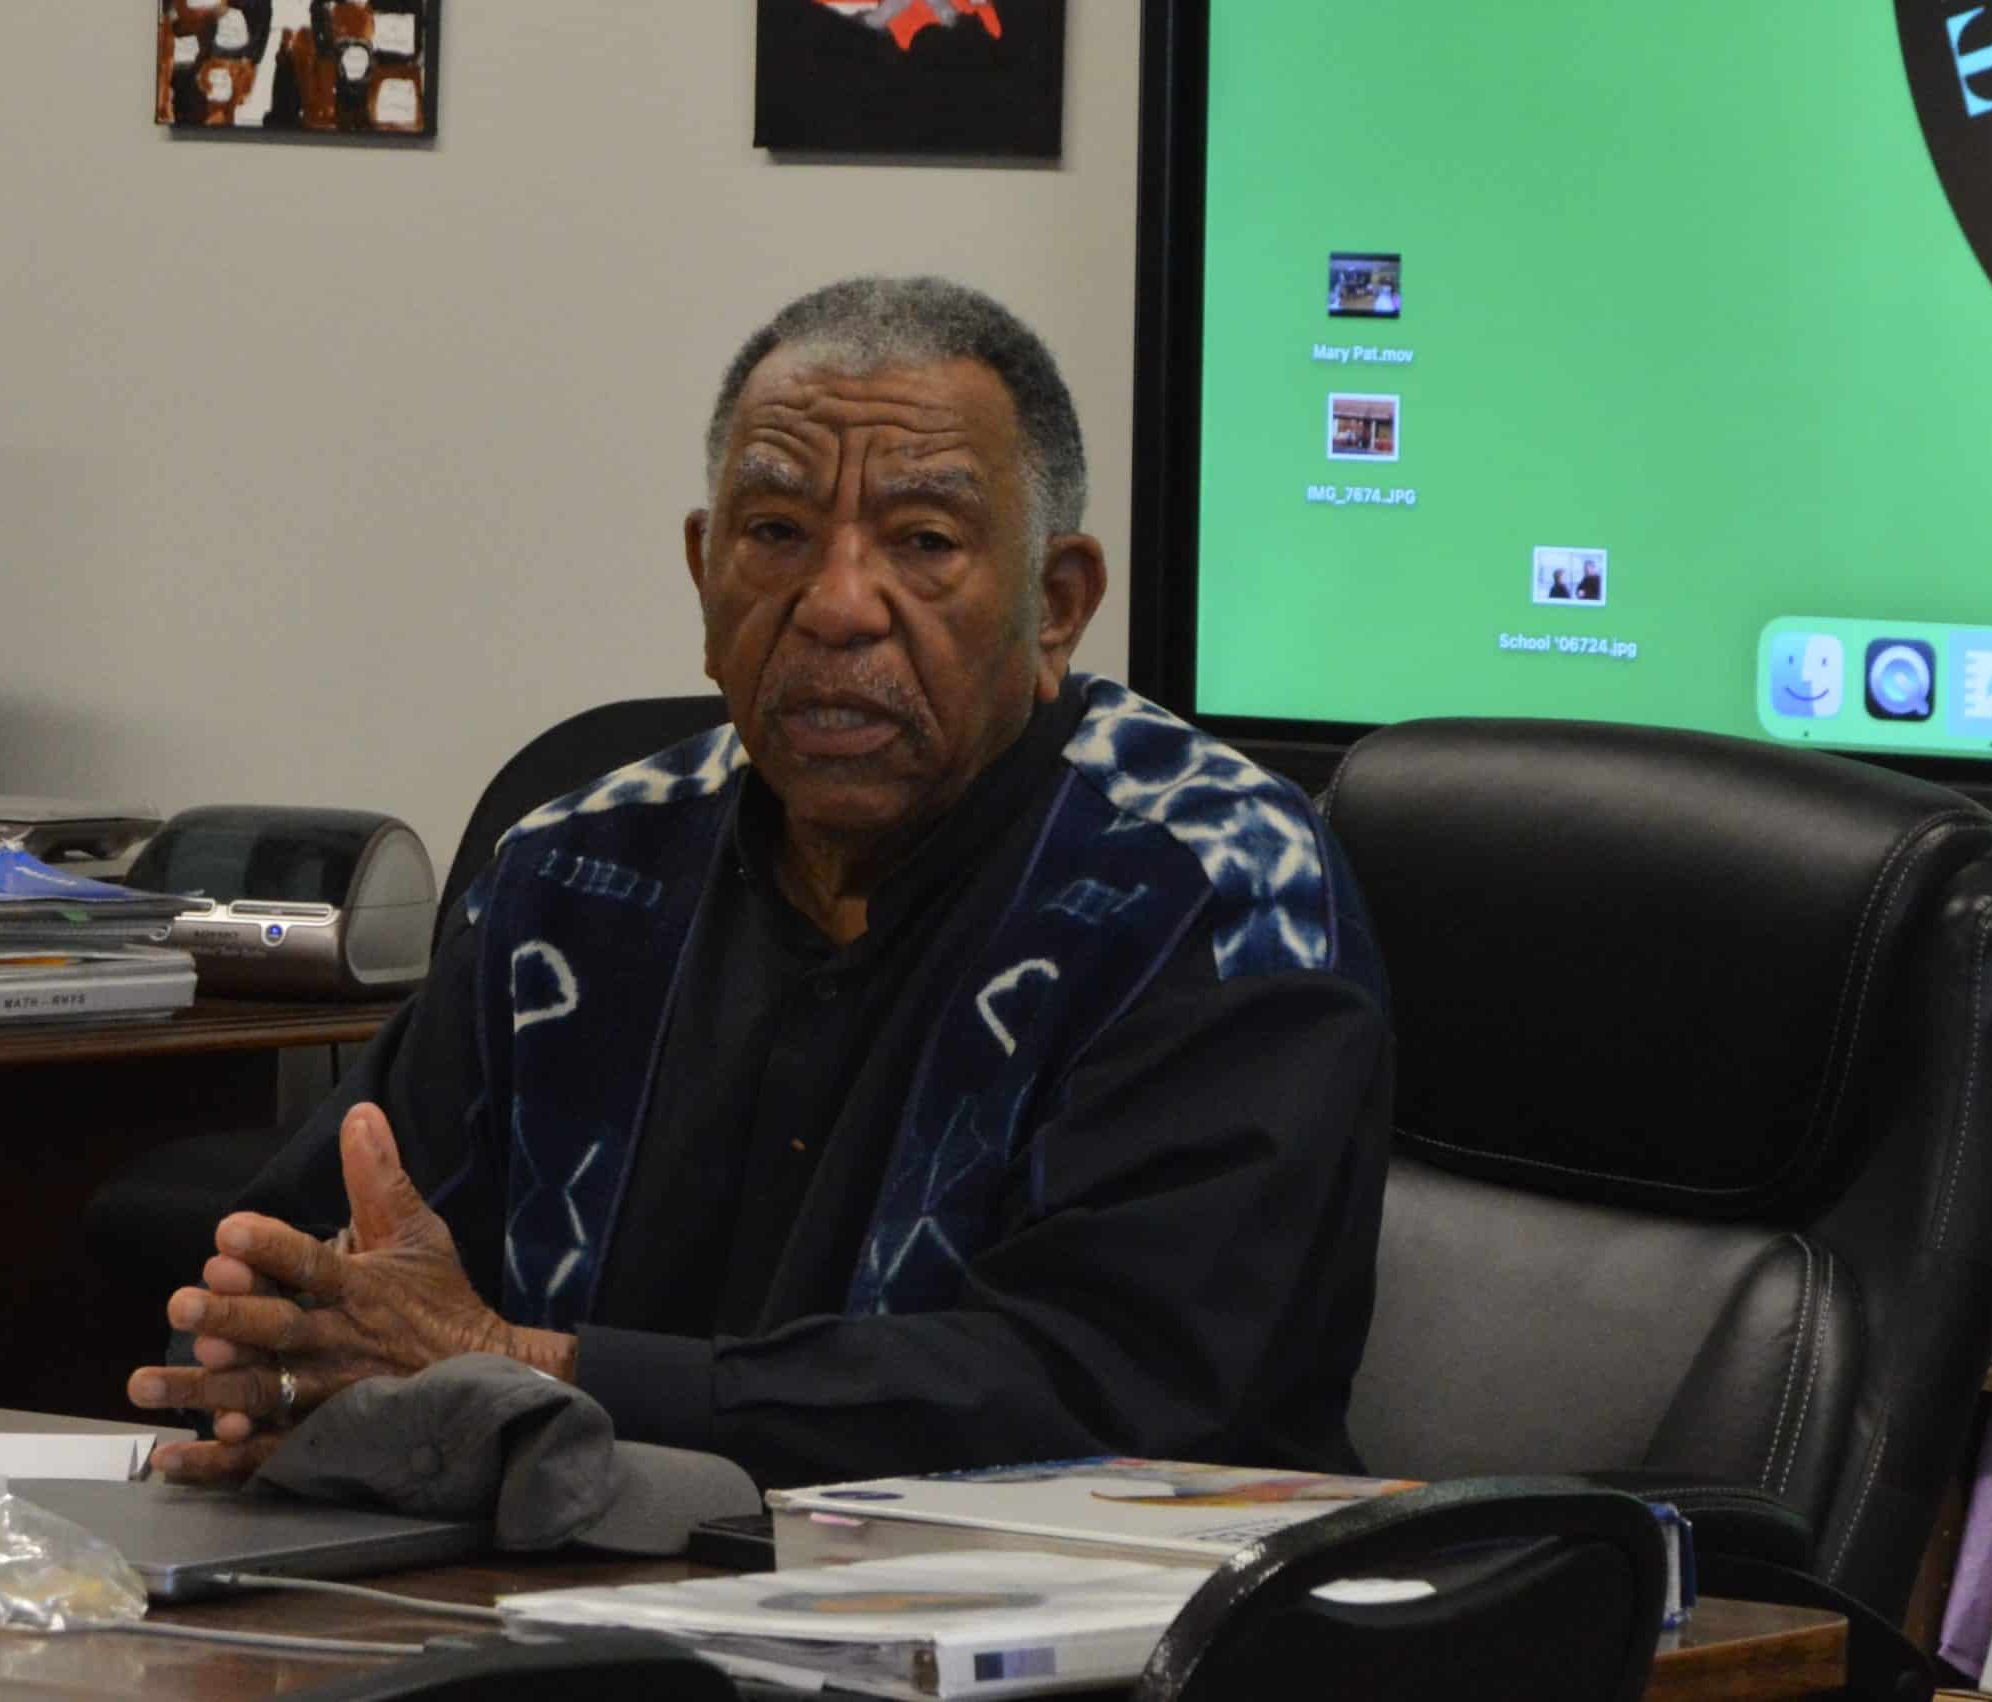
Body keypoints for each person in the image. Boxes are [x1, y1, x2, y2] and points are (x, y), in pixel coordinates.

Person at [130, 277, 1393, 1491]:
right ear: (704, 573)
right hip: (548, 1580)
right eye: (776, 533)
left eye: (924, 542)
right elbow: (301, 1281)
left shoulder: (1211, 888)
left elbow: (1117, 1390)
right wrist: (278, 1360)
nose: (835, 606)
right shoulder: (575, 872)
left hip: (1062, 1606)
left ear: (1055, 606)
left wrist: (528, 1370)